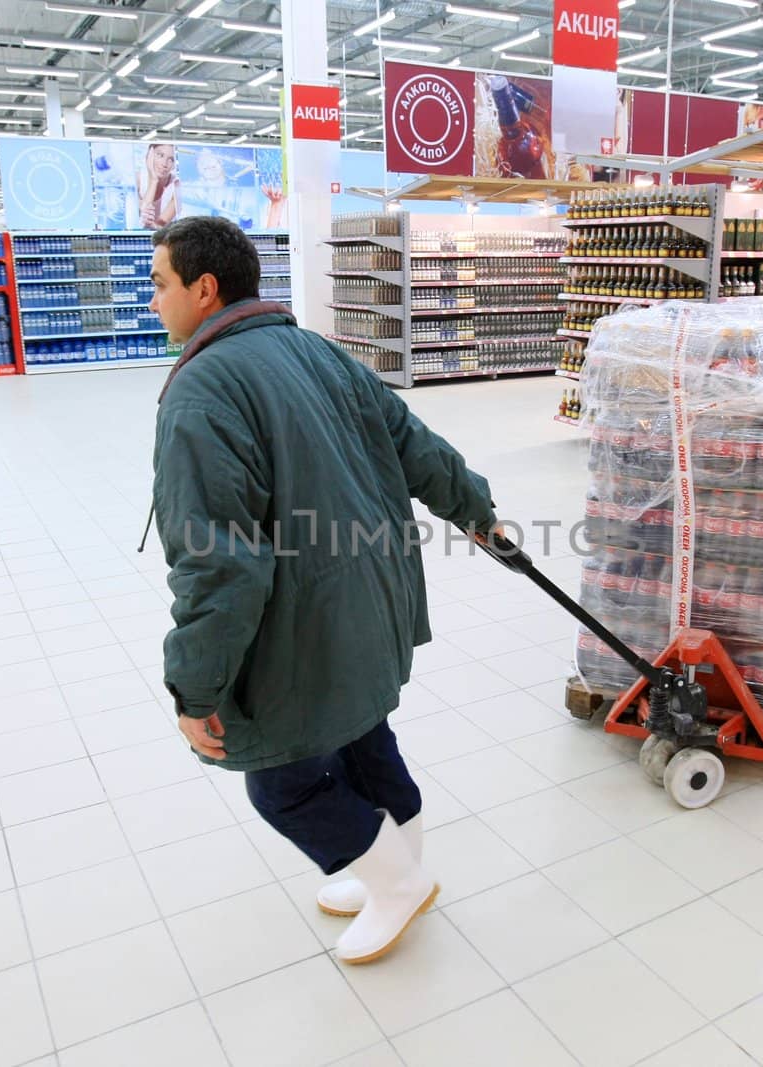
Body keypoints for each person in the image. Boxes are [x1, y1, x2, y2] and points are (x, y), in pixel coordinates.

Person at [147, 216, 498, 965]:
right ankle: (397, 868)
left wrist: (195, 689)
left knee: (282, 780)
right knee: (363, 733)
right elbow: (414, 445)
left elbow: (219, 564)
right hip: (372, 592)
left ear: (203, 290)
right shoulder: (319, 350)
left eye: (160, 283)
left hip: (302, 618)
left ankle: (395, 883)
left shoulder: (200, 392)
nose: (154, 301)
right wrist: (475, 510)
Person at [139, 143, 180, 229]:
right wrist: (154, 181)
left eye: (171, 159)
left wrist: (152, 225)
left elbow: (160, 225)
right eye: (160, 155)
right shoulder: (137, 180)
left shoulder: (176, 186)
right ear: (149, 155)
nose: (164, 164)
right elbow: (141, 220)